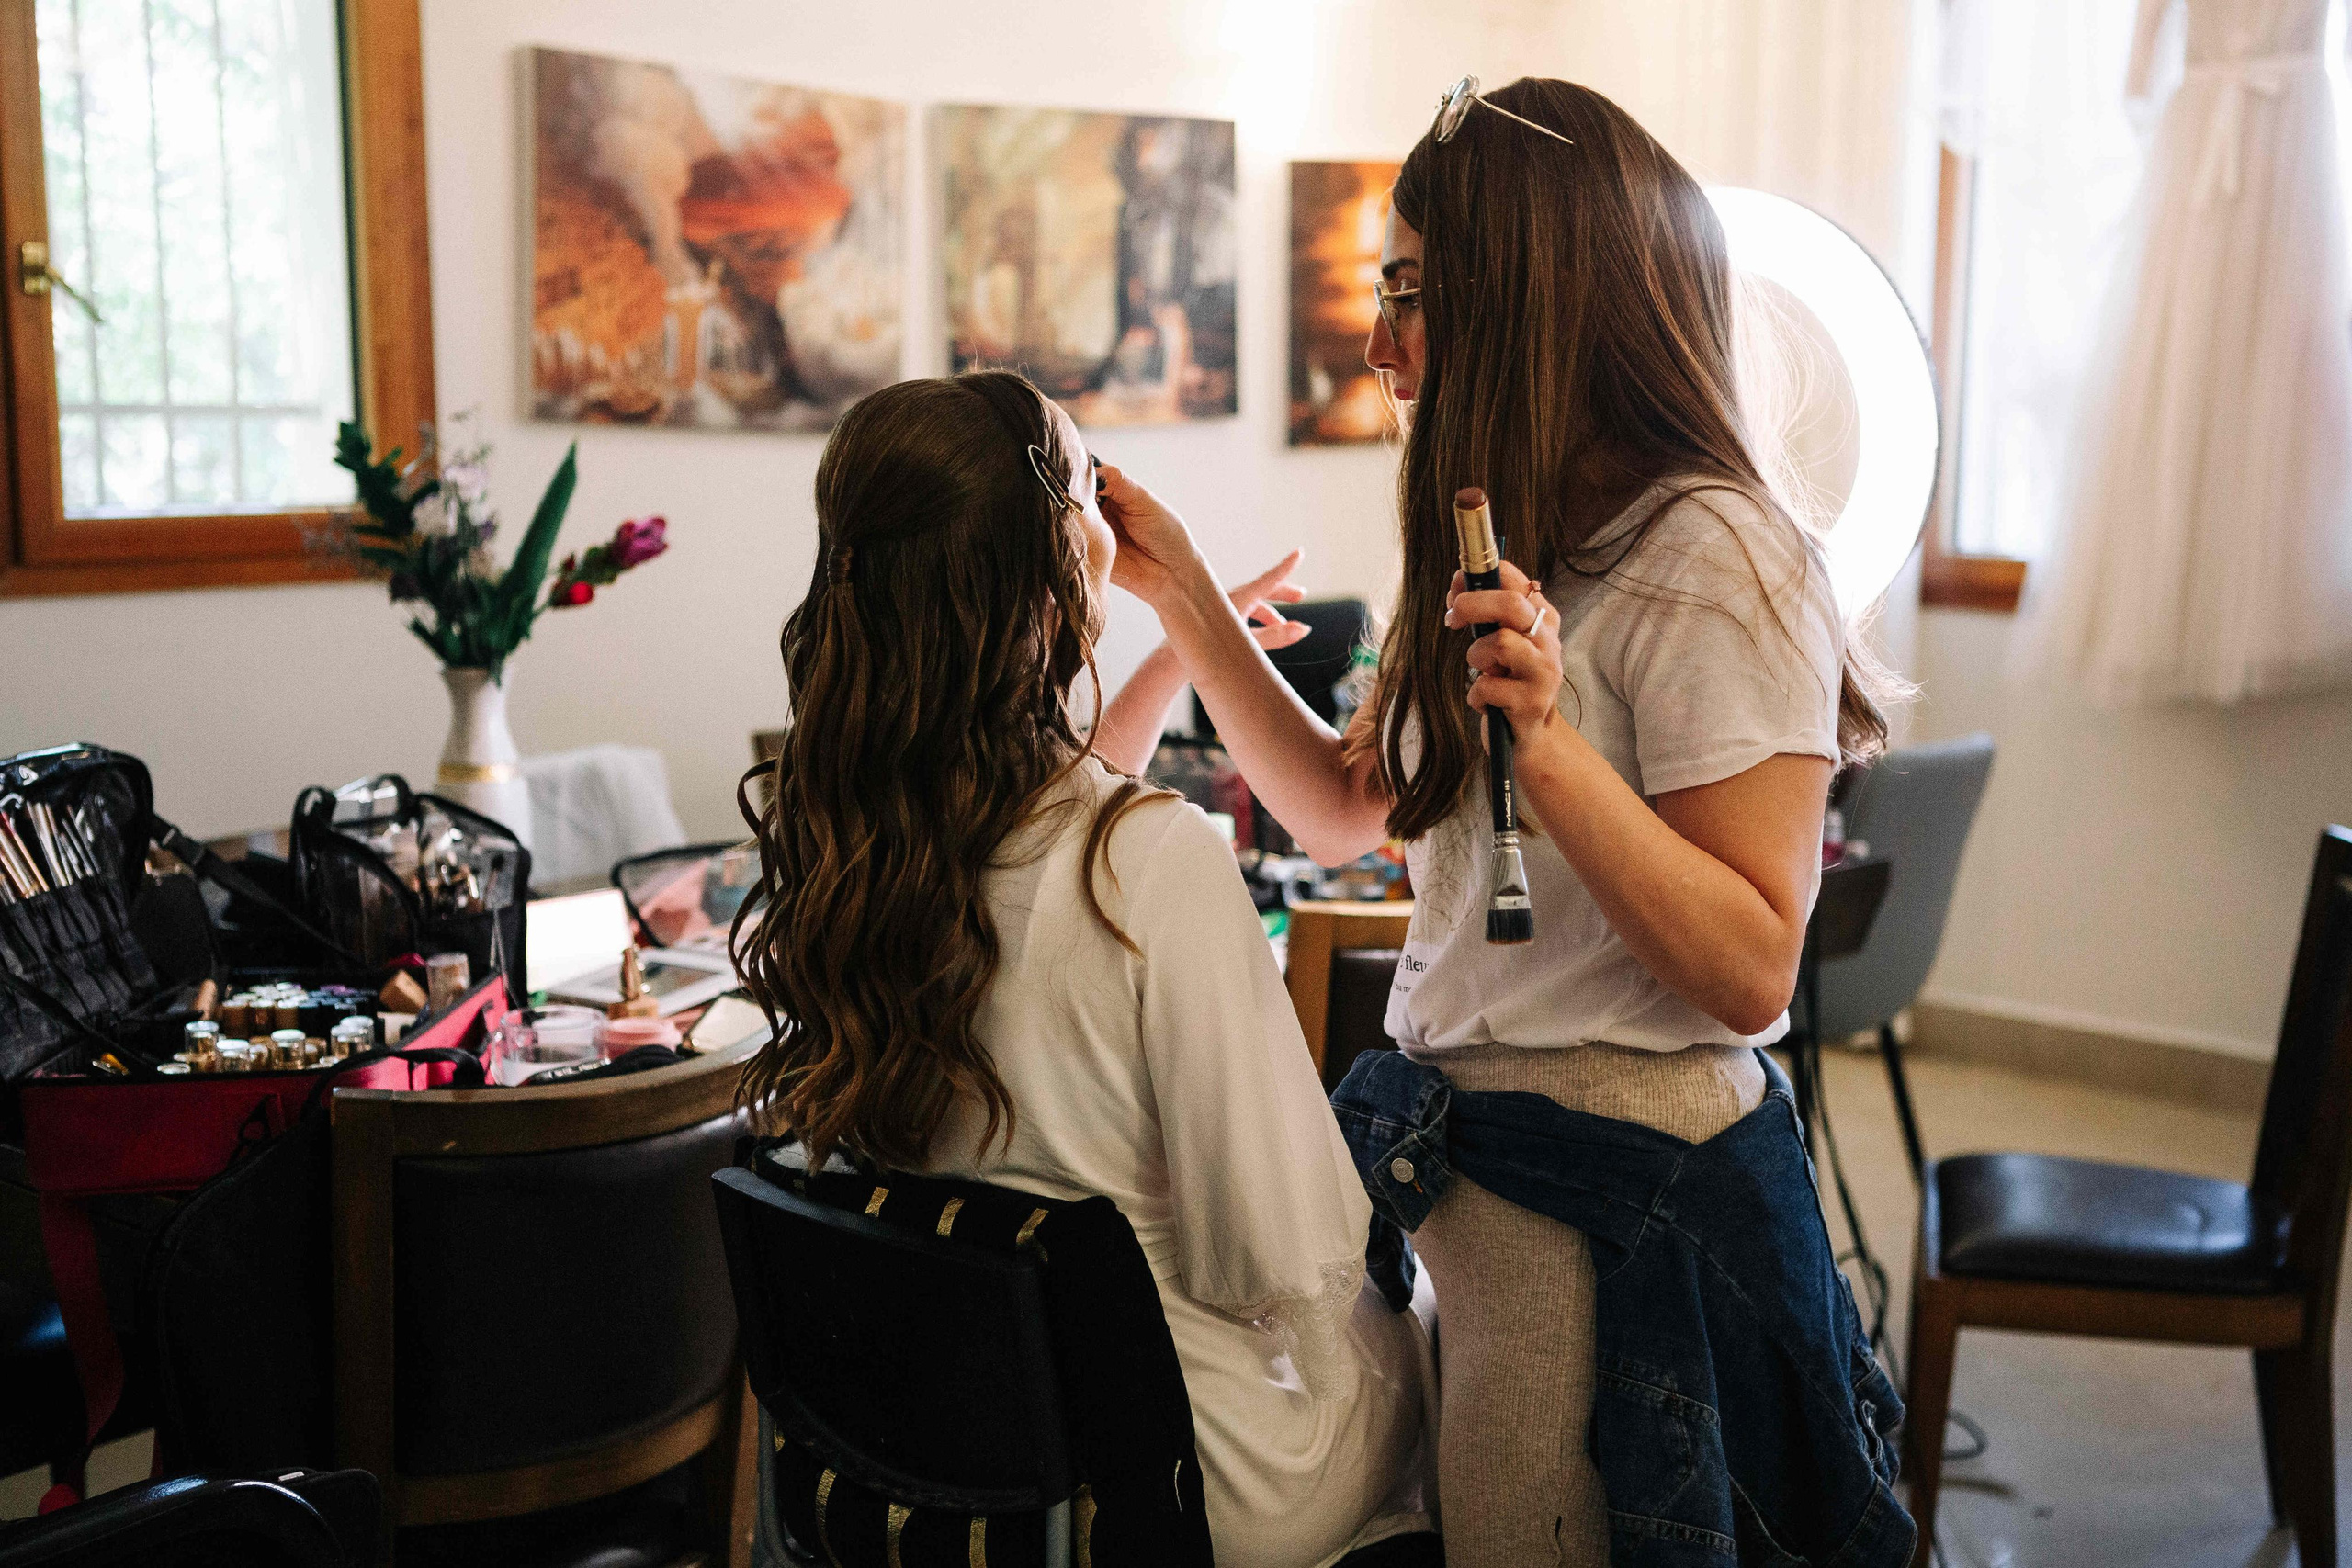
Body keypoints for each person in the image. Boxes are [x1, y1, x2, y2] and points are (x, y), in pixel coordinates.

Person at [1096, 79, 1905, 1566]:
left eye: (1407, 290)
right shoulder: (1495, 523)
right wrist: (1185, 597)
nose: (1376, 339)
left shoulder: (1724, 554)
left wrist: (1551, 747)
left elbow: (1751, 968)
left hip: (1604, 1205)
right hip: (1468, 1176)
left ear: (1530, 293)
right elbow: (1349, 807)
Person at [732, 370, 1433, 1568]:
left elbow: (1034, 840)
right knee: (1442, 1330)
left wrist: (1171, 659)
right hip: (1174, 1478)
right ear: (1063, 560)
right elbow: (1287, 1257)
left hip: (951, 1455)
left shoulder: (844, 844)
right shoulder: (1152, 865)